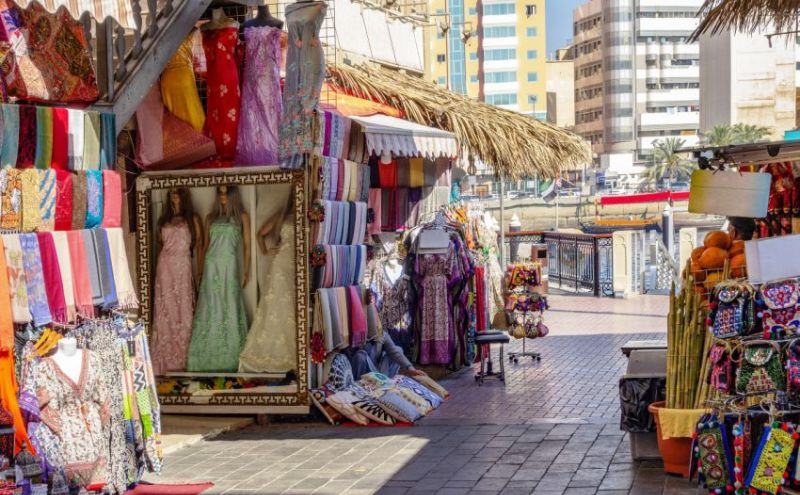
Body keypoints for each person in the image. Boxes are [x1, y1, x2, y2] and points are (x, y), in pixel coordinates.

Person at [349, 332, 428, 381]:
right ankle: (358, 385)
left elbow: (394, 351)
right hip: (364, 373)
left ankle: (385, 381)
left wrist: (411, 369)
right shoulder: (355, 334)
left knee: (398, 349)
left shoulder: (382, 333)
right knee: (360, 356)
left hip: (379, 372)